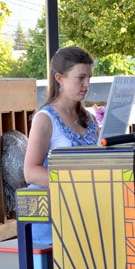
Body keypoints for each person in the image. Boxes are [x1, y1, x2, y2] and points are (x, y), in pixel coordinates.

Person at [23, 46, 99, 245]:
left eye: (89, 77)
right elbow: (31, 173)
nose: (87, 84)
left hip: (84, 208)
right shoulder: (45, 118)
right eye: (80, 78)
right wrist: (76, 183)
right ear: (59, 78)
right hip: (53, 213)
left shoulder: (89, 119)